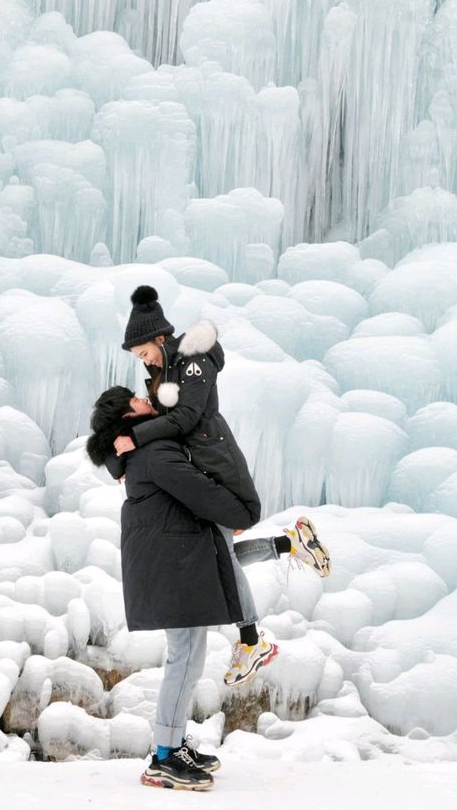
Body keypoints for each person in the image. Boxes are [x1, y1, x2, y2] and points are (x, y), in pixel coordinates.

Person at [86, 386, 330, 789]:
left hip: (179, 560)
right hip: (172, 569)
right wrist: (242, 512)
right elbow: (197, 490)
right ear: (128, 417)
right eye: (137, 400)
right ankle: (163, 755)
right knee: (183, 659)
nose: (148, 400)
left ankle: (174, 742)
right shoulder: (154, 454)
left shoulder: (145, 451)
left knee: (190, 657)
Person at [114, 285, 331, 685]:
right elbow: (154, 427)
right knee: (215, 551)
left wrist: (137, 440)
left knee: (219, 553)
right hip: (193, 467)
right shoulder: (163, 371)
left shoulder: (194, 359)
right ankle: (290, 545)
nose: (142, 361)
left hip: (214, 464)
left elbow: (187, 419)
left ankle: (251, 639)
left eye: (143, 352)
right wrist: (121, 460)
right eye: (138, 358)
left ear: (159, 337)